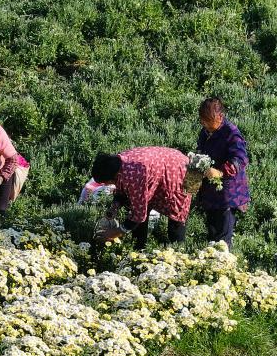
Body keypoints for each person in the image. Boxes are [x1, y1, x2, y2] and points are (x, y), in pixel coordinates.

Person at [90, 147, 204, 250]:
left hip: (179, 172)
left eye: (106, 182)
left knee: (176, 220)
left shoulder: (134, 176)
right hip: (162, 167)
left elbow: (138, 215)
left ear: (113, 176)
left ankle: (180, 255)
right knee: (141, 207)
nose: (106, 185)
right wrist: (114, 208)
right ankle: (139, 250)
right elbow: (122, 191)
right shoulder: (119, 163)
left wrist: (114, 233)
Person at [195, 97, 250, 249]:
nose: (204, 124)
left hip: (227, 195)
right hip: (210, 195)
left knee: (223, 242)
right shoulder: (205, 132)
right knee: (212, 238)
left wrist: (220, 172)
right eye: (202, 120)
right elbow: (201, 152)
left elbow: (241, 159)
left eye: (208, 120)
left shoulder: (231, 133)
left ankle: (225, 269)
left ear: (220, 117)